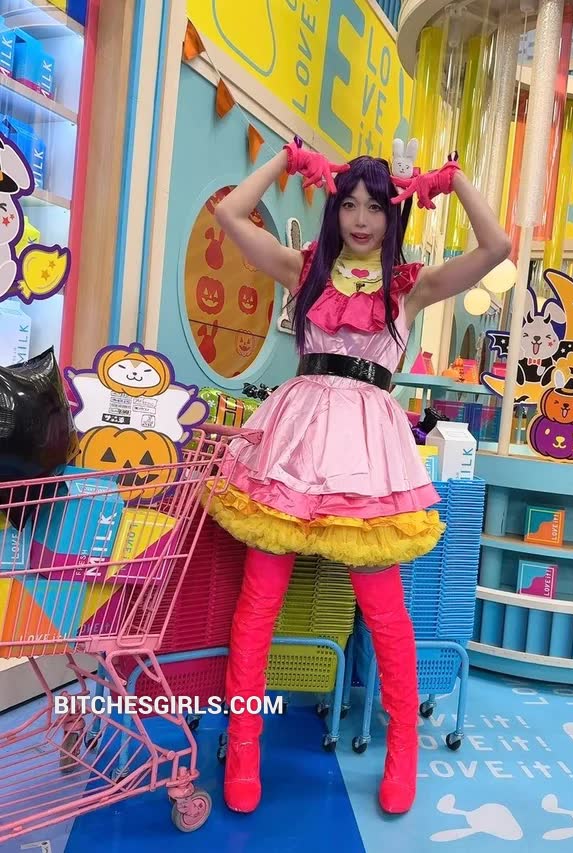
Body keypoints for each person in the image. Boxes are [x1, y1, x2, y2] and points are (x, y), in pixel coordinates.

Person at [210, 137, 511, 816]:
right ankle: (245, 744)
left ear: (393, 211)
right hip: (293, 442)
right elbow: (230, 213)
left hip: (368, 453)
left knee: (384, 608)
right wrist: (286, 161)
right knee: (259, 600)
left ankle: (402, 745)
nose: (361, 218)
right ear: (334, 208)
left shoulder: (411, 285)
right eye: (349, 203)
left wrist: (452, 181)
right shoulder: (304, 270)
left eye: (375, 205)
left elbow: (496, 248)